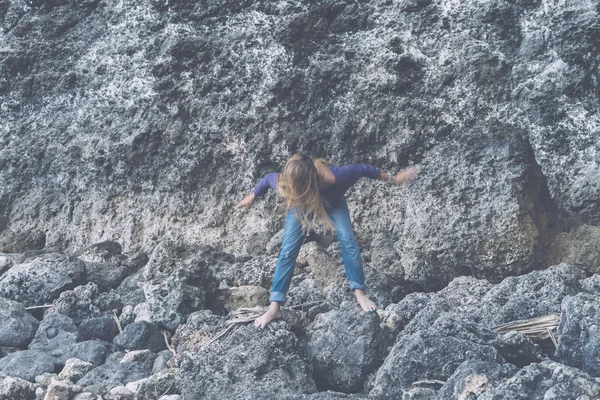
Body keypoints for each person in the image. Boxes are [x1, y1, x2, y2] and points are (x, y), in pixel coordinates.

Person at [235, 154, 417, 330]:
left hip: (332, 201)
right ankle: (274, 308)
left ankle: (360, 293)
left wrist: (395, 179)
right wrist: (252, 196)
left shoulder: (336, 179)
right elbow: (268, 179)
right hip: (301, 206)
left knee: (348, 240)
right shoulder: (286, 181)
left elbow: (364, 169)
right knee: (288, 251)